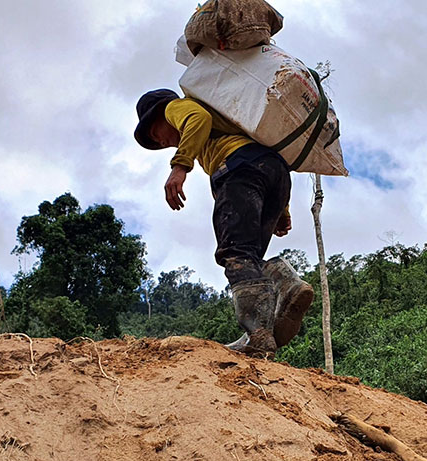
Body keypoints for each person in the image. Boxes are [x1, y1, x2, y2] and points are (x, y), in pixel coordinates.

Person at [134, 89, 313, 357]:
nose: (159, 142)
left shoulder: (176, 108)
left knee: (236, 254)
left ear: (158, 116)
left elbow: (198, 118)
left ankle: (258, 335)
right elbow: (264, 155)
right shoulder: (229, 122)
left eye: (153, 135)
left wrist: (180, 166)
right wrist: (282, 210)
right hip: (274, 172)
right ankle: (285, 281)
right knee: (248, 257)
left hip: (240, 169)